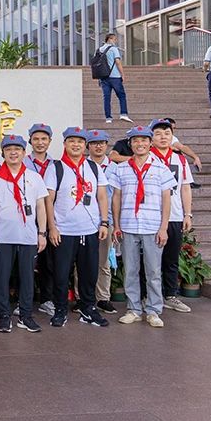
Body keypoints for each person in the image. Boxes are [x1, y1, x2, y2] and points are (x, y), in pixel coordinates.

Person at [107, 126, 176, 328]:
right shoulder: (121, 168)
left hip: (152, 226)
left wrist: (163, 228)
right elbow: (116, 198)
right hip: (128, 225)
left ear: (150, 143)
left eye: (144, 140)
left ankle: (153, 311)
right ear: (130, 144)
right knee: (130, 270)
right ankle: (134, 309)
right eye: (136, 141)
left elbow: (167, 199)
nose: (140, 144)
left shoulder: (161, 168)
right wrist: (116, 225)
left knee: (153, 272)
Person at [43, 127, 111, 328]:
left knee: (89, 272)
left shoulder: (93, 167)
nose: (76, 145)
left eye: (80, 142)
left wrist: (104, 222)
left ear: (85, 145)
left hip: (90, 229)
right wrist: (52, 227)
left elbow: (101, 196)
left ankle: (88, 308)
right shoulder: (56, 168)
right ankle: (60, 309)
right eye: (72, 141)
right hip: (63, 231)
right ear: (65, 144)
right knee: (61, 273)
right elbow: (48, 200)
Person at [0, 134, 49, 334]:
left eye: (17, 149)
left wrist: (42, 233)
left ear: (23, 152)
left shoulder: (34, 177)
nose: (13, 153)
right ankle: (4, 316)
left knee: (27, 277)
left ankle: (26, 315)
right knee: (2, 277)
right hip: (3, 237)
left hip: (28, 236)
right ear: (3, 153)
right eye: (8, 149)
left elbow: (40, 207)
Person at [148, 118, 194, 314]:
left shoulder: (180, 159)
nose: (163, 137)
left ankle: (170, 295)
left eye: (167, 133)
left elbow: (185, 187)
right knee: (149, 260)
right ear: (151, 138)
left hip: (174, 215)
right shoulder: (146, 158)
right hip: (150, 216)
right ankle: (148, 296)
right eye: (158, 134)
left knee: (171, 258)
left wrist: (187, 214)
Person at [24, 123, 56, 317]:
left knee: (49, 261)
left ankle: (46, 299)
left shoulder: (56, 165)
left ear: (50, 141)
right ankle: (23, 300)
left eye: (44, 139)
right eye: (36, 139)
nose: (40, 142)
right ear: (30, 141)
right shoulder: (22, 162)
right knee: (25, 261)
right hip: (26, 217)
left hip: (49, 216)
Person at [86, 129, 118, 314]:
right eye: (94, 143)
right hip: (86, 221)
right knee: (83, 262)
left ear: (106, 145)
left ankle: (103, 298)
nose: (98, 146)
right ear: (88, 146)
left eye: (102, 143)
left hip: (107, 220)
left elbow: (117, 197)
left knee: (104, 261)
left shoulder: (114, 168)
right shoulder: (82, 166)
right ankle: (82, 297)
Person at [98, 33, 132, 124]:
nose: (115, 41)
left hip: (103, 77)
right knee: (121, 95)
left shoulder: (99, 49)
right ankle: (123, 114)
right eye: (114, 39)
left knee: (106, 98)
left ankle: (108, 118)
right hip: (115, 77)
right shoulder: (114, 49)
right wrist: (122, 74)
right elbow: (117, 62)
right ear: (109, 39)